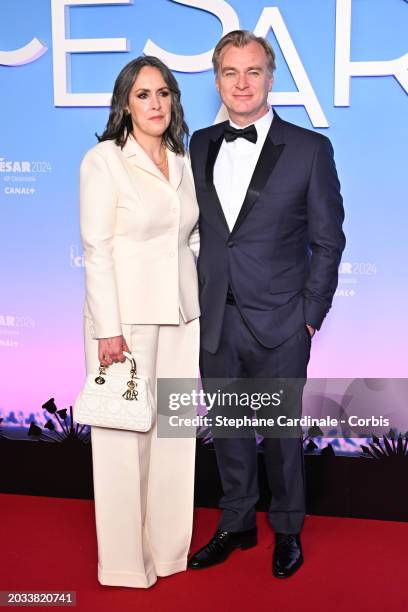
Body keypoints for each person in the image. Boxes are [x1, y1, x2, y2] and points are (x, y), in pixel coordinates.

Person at [187, 31, 345, 578]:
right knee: (227, 431)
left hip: (281, 321)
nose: (242, 83)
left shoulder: (309, 149)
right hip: (215, 318)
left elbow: (328, 241)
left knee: (280, 436)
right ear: (216, 80)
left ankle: (288, 531)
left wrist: (309, 316)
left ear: (271, 78)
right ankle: (236, 523)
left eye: (253, 72)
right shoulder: (199, 144)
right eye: (230, 73)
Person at [79, 55, 200, 589]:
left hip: (181, 316)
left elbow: (190, 236)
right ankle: (127, 564)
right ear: (125, 104)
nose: (156, 104)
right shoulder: (103, 161)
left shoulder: (181, 157)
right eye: (143, 94)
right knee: (124, 441)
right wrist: (109, 327)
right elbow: (97, 248)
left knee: (174, 436)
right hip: (124, 325)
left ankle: (169, 552)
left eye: (164, 93)